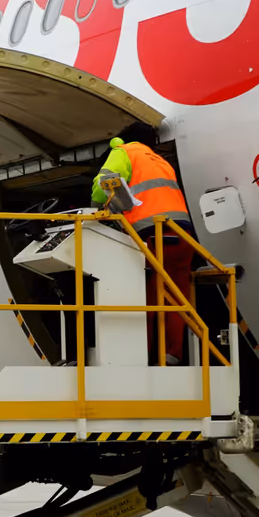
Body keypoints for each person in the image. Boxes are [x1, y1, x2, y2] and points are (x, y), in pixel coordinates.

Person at [90, 124, 194, 365]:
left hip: (151, 232)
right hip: (183, 233)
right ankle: (172, 355)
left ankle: (140, 357)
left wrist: (98, 204)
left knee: (141, 295)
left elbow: (102, 186)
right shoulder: (159, 160)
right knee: (176, 296)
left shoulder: (124, 151)